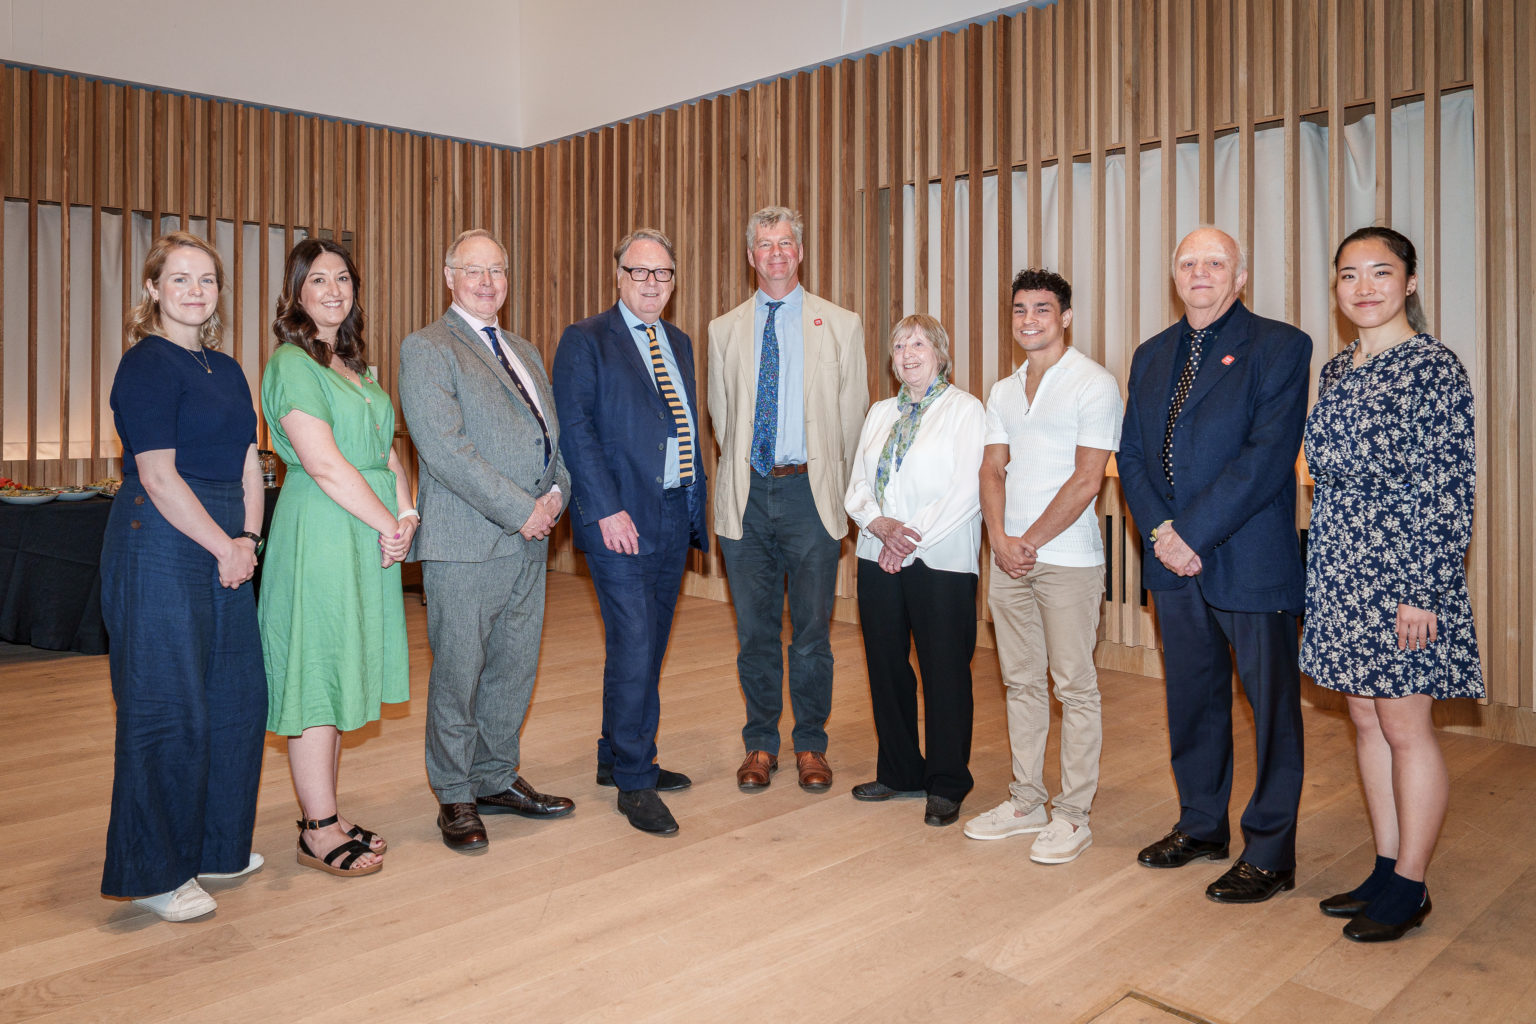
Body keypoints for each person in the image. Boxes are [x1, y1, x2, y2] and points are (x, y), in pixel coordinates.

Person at [1117, 226, 1311, 903]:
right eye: (1189, 262)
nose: (1201, 272)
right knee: (1191, 701)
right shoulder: (1150, 354)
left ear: (1241, 274)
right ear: (1174, 275)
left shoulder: (1281, 346)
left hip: (1248, 557)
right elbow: (1133, 458)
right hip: (1173, 559)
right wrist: (1162, 533)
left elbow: (1264, 457)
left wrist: (1189, 532)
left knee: (1273, 709)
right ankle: (1201, 824)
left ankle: (1271, 852)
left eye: (1215, 262)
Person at [1302, 226, 1482, 942]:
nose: (1364, 287)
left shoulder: (1434, 367)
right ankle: (1384, 863)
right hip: (1342, 566)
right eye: (1350, 275)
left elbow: (1449, 487)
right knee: (1366, 719)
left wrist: (1423, 591)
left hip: (1405, 571)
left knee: (1408, 727)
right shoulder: (1337, 370)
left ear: (1409, 282)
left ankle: (1411, 883)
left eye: (1381, 272)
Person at [100, 231, 265, 921]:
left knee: (237, 697)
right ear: (152, 291)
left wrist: (249, 537)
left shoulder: (225, 368)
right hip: (162, 541)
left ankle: (217, 847)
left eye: (207, 280)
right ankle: (158, 872)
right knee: (168, 707)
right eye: (180, 279)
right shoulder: (145, 365)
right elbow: (157, 475)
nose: (196, 291)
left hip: (229, 536)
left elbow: (250, 461)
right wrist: (223, 546)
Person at [399, 228, 574, 852]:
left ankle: (496, 777)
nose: (486, 282)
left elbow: (550, 440)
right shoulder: (426, 348)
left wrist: (556, 496)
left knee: (513, 670)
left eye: (497, 271)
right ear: (449, 278)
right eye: (473, 271)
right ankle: (454, 793)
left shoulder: (524, 349)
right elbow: (447, 451)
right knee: (460, 674)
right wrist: (521, 509)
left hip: (530, 540)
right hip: (467, 543)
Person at [259, 238, 411, 877]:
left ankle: (329, 811)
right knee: (317, 671)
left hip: (370, 531)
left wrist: (406, 514)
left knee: (346, 664)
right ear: (296, 292)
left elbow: (387, 451)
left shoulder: (357, 366)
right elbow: (321, 462)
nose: (332, 290)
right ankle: (317, 829)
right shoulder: (292, 364)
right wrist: (387, 523)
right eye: (317, 279)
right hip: (324, 531)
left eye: (342, 278)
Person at [552, 227, 709, 836]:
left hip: (674, 509)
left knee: (647, 643)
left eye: (662, 273)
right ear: (617, 275)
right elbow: (577, 431)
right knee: (636, 641)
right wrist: (606, 507)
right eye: (639, 271)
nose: (651, 283)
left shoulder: (680, 342)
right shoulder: (586, 339)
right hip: (619, 516)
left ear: (672, 281)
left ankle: (613, 755)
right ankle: (636, 781)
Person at [708, 206, 868, 794]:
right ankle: (760, 743)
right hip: (746, 497)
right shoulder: (723, 330)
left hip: (812, 495)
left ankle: (811, 745)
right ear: (751, 257)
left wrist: (850, 498)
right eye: (764, 244)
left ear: (799, 253)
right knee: (753, 634)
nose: (775, 253)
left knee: (810, 634)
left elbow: (853, 420)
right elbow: (723, 421)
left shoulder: (841, 324)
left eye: (785, 244)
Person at [964, 270, 1122, 864]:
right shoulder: (1002, 391)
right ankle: (1027, 798)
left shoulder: (1093, 383)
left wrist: (1024, 541)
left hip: (1068, 561)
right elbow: (990, 470)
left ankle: (1074, 814)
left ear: (1067, 317)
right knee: (1020, 682)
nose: (1029, 319)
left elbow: (1088, 479)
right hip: (1009, 558)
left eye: (1042, 309)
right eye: (1020, 310)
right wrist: (999, 540)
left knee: (1075, 687)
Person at [843, 315, 984, 827]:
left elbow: (967, 490)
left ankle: (948, 781)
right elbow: (858, 480)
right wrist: (879, 524)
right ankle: (900, 770)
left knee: (944, 672)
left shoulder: (966, 411)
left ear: (941, 354)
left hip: (939, 558)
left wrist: (906, 538)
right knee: (886, 668)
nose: (907, 353)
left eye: (919, 343)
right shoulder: (880, 411)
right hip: (875, 552)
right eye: (899, 344)